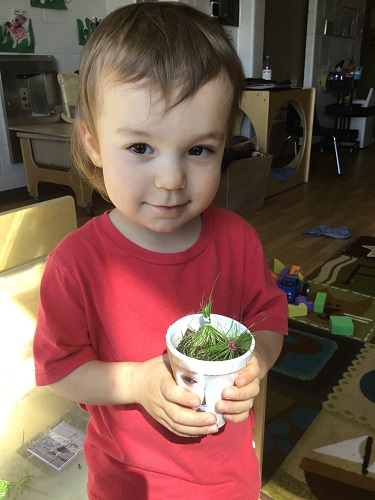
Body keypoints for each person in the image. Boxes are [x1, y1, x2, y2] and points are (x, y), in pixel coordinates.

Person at [33, 3, 288, 499]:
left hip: (227, 478)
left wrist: (256, 363)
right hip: (127, 482)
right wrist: (135, 383)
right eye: (140, 148)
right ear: (93, 143)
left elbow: (270, 317)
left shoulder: (237, 240)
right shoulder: (76, 265)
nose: (171, 180)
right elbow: (61, 370)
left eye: (199, 150)